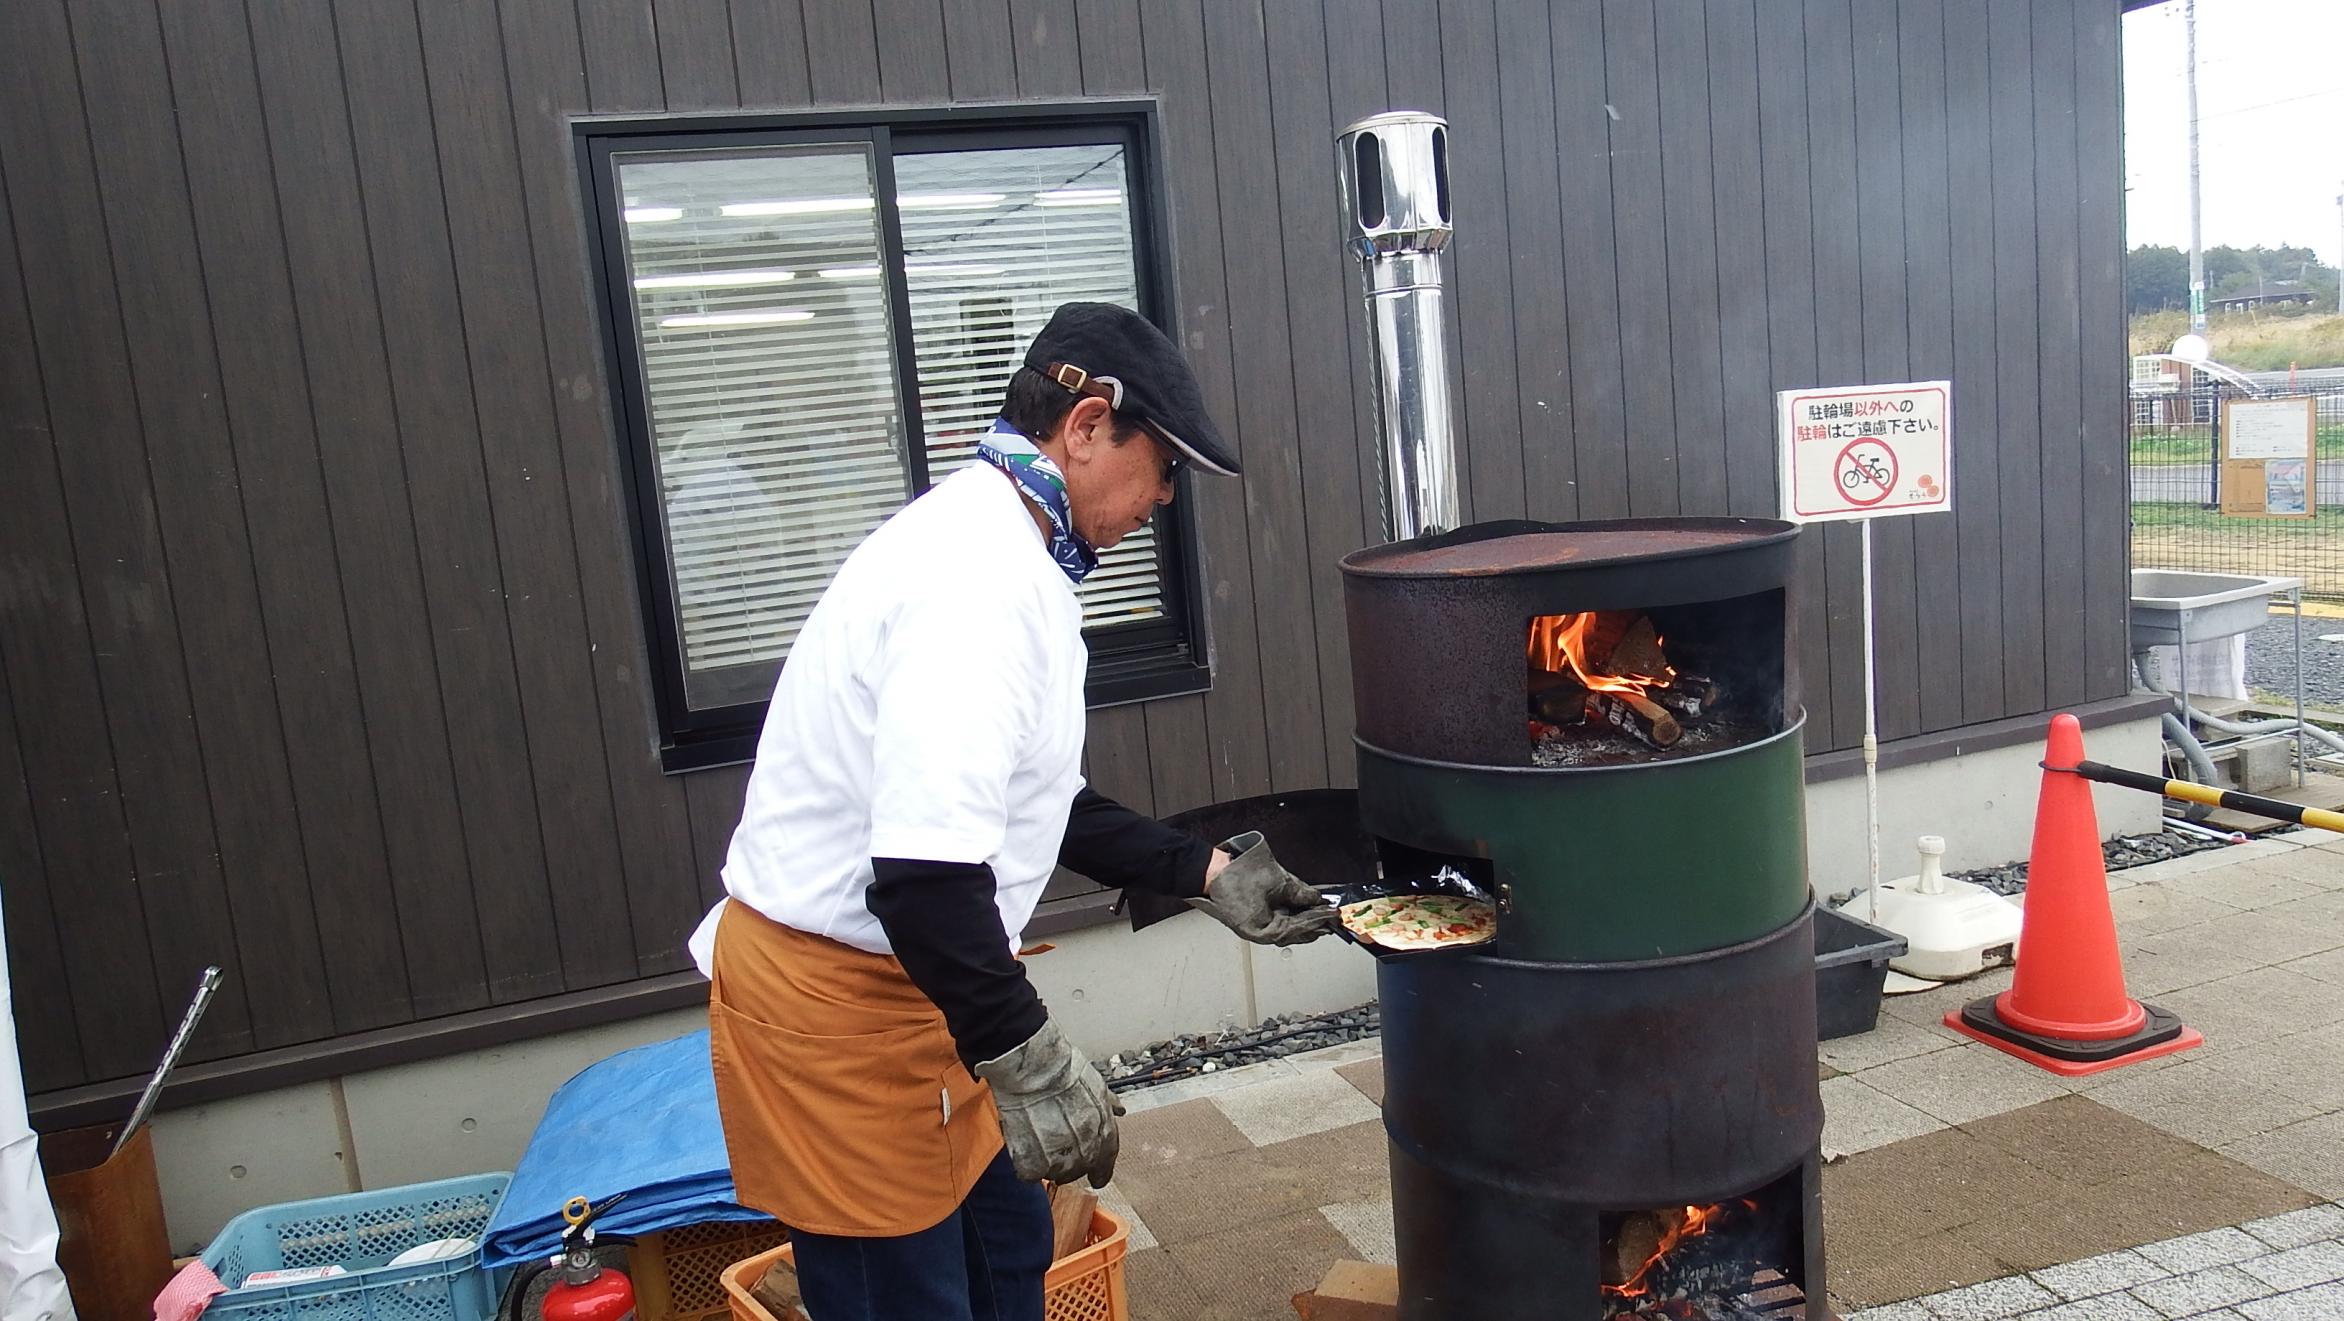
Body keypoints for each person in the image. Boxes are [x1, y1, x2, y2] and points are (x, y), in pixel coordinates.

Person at [687, 301, 1340, 1321]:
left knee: (1006, 1257)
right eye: (1161, 462)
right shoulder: (973, 580)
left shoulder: (1016, 554)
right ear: (1084, 427)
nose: (1165, 495)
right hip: (839, 1010)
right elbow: (921, 878)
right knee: (904, 1300)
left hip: (927, 989)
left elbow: (1038, 800)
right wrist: (1029, 1055)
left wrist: (1205, 871)